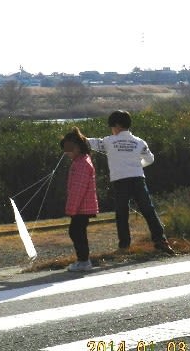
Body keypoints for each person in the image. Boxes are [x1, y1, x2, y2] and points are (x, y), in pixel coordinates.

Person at [87, 110, 175, 255]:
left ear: (116, 125)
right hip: (138, 179)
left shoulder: (109, 141)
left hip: (120, 181)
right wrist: (138, 165)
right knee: (148, 210)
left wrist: (79, 137)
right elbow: (150, 159)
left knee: (122, 213)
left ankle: (124, 246)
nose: (112, 129)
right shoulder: (139, 142)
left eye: (112, 126)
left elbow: (92, 143)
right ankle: (161, 241)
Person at [60, 127, 99, 272]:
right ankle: (83, 260)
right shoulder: (81, 161)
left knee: (76, 232)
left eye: (68, 149)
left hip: (82, 207)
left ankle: (83, 261)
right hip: (82, 206)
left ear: (76, 147)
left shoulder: (82, 164)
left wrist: (71, 208)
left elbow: (78, 189)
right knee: (77, 231)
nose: (66, 153)